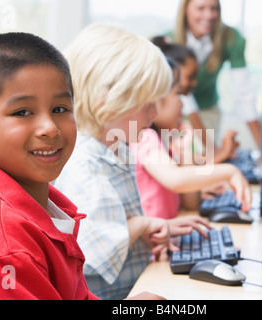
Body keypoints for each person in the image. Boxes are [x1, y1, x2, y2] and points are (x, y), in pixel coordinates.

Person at [54, 23, 211, 300]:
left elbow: (111, 228)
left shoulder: (118, 150)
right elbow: (92, 254)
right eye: (147, 103)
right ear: (109, 101)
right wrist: (142, 225)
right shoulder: (84, 166)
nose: (153, 113)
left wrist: (147, 230)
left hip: (137, 286)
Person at [0, 32, 100, 300]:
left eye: (60, 109)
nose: (49, 128)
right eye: (22, 112)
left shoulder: (40, 207)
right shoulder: (6, 245)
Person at [129, 57, 252, 220]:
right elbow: (176, 179)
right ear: (155, 99)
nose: (182, 104)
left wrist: (185, 152)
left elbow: (191, 202)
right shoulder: (144, 138)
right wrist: (229, 171)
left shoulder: (162, 142)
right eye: (178, 94)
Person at [172, 0, 262, 149]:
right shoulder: (171, 42)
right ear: (185, 10)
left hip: (208, 108)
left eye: (214, 8)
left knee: (205, 158)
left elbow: (244, 93)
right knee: (192, 157)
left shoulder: (231, 37)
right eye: (200, 8)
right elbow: (184, 97)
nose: (208, 15)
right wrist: (215, 151)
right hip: (177, 111)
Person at [151, 36, 239, 164]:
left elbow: (187, 163)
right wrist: (222, 156)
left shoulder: (166, 135)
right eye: (177, 94)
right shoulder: (148, 139)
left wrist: (222, 153)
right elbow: (178, 177)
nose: (195, 83)